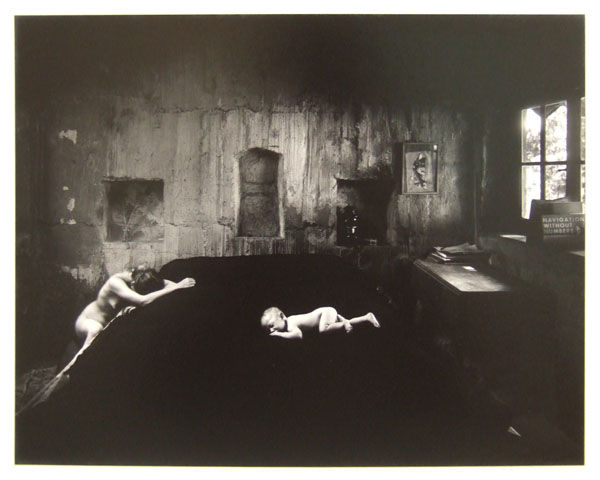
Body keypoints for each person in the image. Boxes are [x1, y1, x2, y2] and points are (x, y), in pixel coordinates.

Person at [17, 265, 196, 416]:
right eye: (135, 289)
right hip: (88, 323)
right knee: (82, 357)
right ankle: (60, 380)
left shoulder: (144, 277)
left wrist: (177, 284)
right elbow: (143, 301)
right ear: (133, 282)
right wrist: (176, 287)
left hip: (105, 326)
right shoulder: (116, 282)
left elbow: (163, 283)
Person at [260, 306, 380, 340]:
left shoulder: (291, 324)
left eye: (271, 325)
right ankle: (366, 317)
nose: (271, 330)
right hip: (327, 312)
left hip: (325, 312)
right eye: (268, 329)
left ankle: (344, 323)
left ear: (282, 316)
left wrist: (279, 334)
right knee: (349, 322)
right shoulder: (290, 321)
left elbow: (298, 335)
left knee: (323, 329)